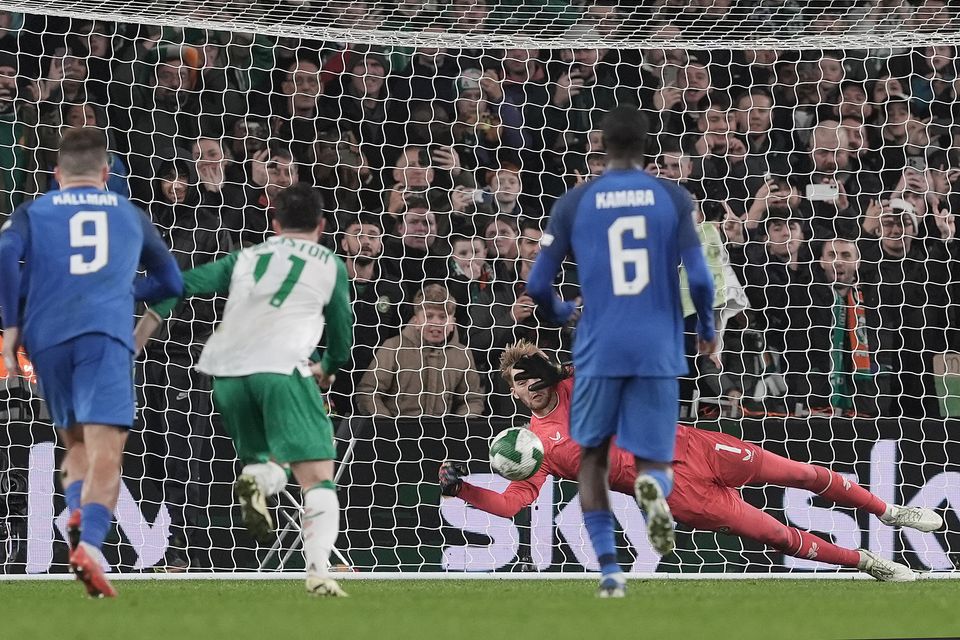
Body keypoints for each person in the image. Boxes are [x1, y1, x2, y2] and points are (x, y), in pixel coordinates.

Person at [439, 344, 941, 584]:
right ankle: (870, 564)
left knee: (802, 473)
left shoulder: (577, 384)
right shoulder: (529, 448)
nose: (532, 384)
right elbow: (509, 507)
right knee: (778, 536)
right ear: (513, 392)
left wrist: (562, 366)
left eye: (535, 373)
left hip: (693, 446)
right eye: (520, 381)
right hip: (679, 495)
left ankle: (888, 511)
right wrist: (461, 490)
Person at [526, 105, 716, 596]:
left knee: (592, 457)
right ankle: (655, 491)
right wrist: (708, 327)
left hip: (599, 345)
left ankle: (610, 569)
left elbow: (536, 282)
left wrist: (560, 310)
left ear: (601, 147)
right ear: (646, 146)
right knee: (654, 457)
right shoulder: (672, 196)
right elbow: (698, 275)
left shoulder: (575, 200)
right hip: (657, 343)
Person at [134, 184, 352, 597]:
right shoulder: (329, 263)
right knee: (318, 475)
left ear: (274, 225)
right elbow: (342, 333)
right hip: (282, 369)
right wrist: (327, 368)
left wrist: (137, 332)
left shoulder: (246, 257)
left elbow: (178, 285)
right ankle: (319, 570)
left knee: (267, 458)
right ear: (322, 226)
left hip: (226, 374)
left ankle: (258, 478)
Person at [0, 128, 183, 597]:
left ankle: (78, 511)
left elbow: (3, 252)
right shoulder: (129, 213)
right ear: (106, 173)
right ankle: (92, 545)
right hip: (103, 334)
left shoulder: (32, 211)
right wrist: (124, 293)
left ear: (57, 174)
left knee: (76, 442)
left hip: (47, 339)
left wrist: (12, 326)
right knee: (108, 450)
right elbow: (172, 282)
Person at [356, 283, 485, 418]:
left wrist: (457, 429)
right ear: (416, 320)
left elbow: (472, 400)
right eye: (429, 316)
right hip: (396, 434)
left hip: (443, 434)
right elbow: (368, 392)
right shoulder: (393, 347)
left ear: (452, 323)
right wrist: (387, 427)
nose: (436, 322)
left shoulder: (462, 354)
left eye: (443, 317)